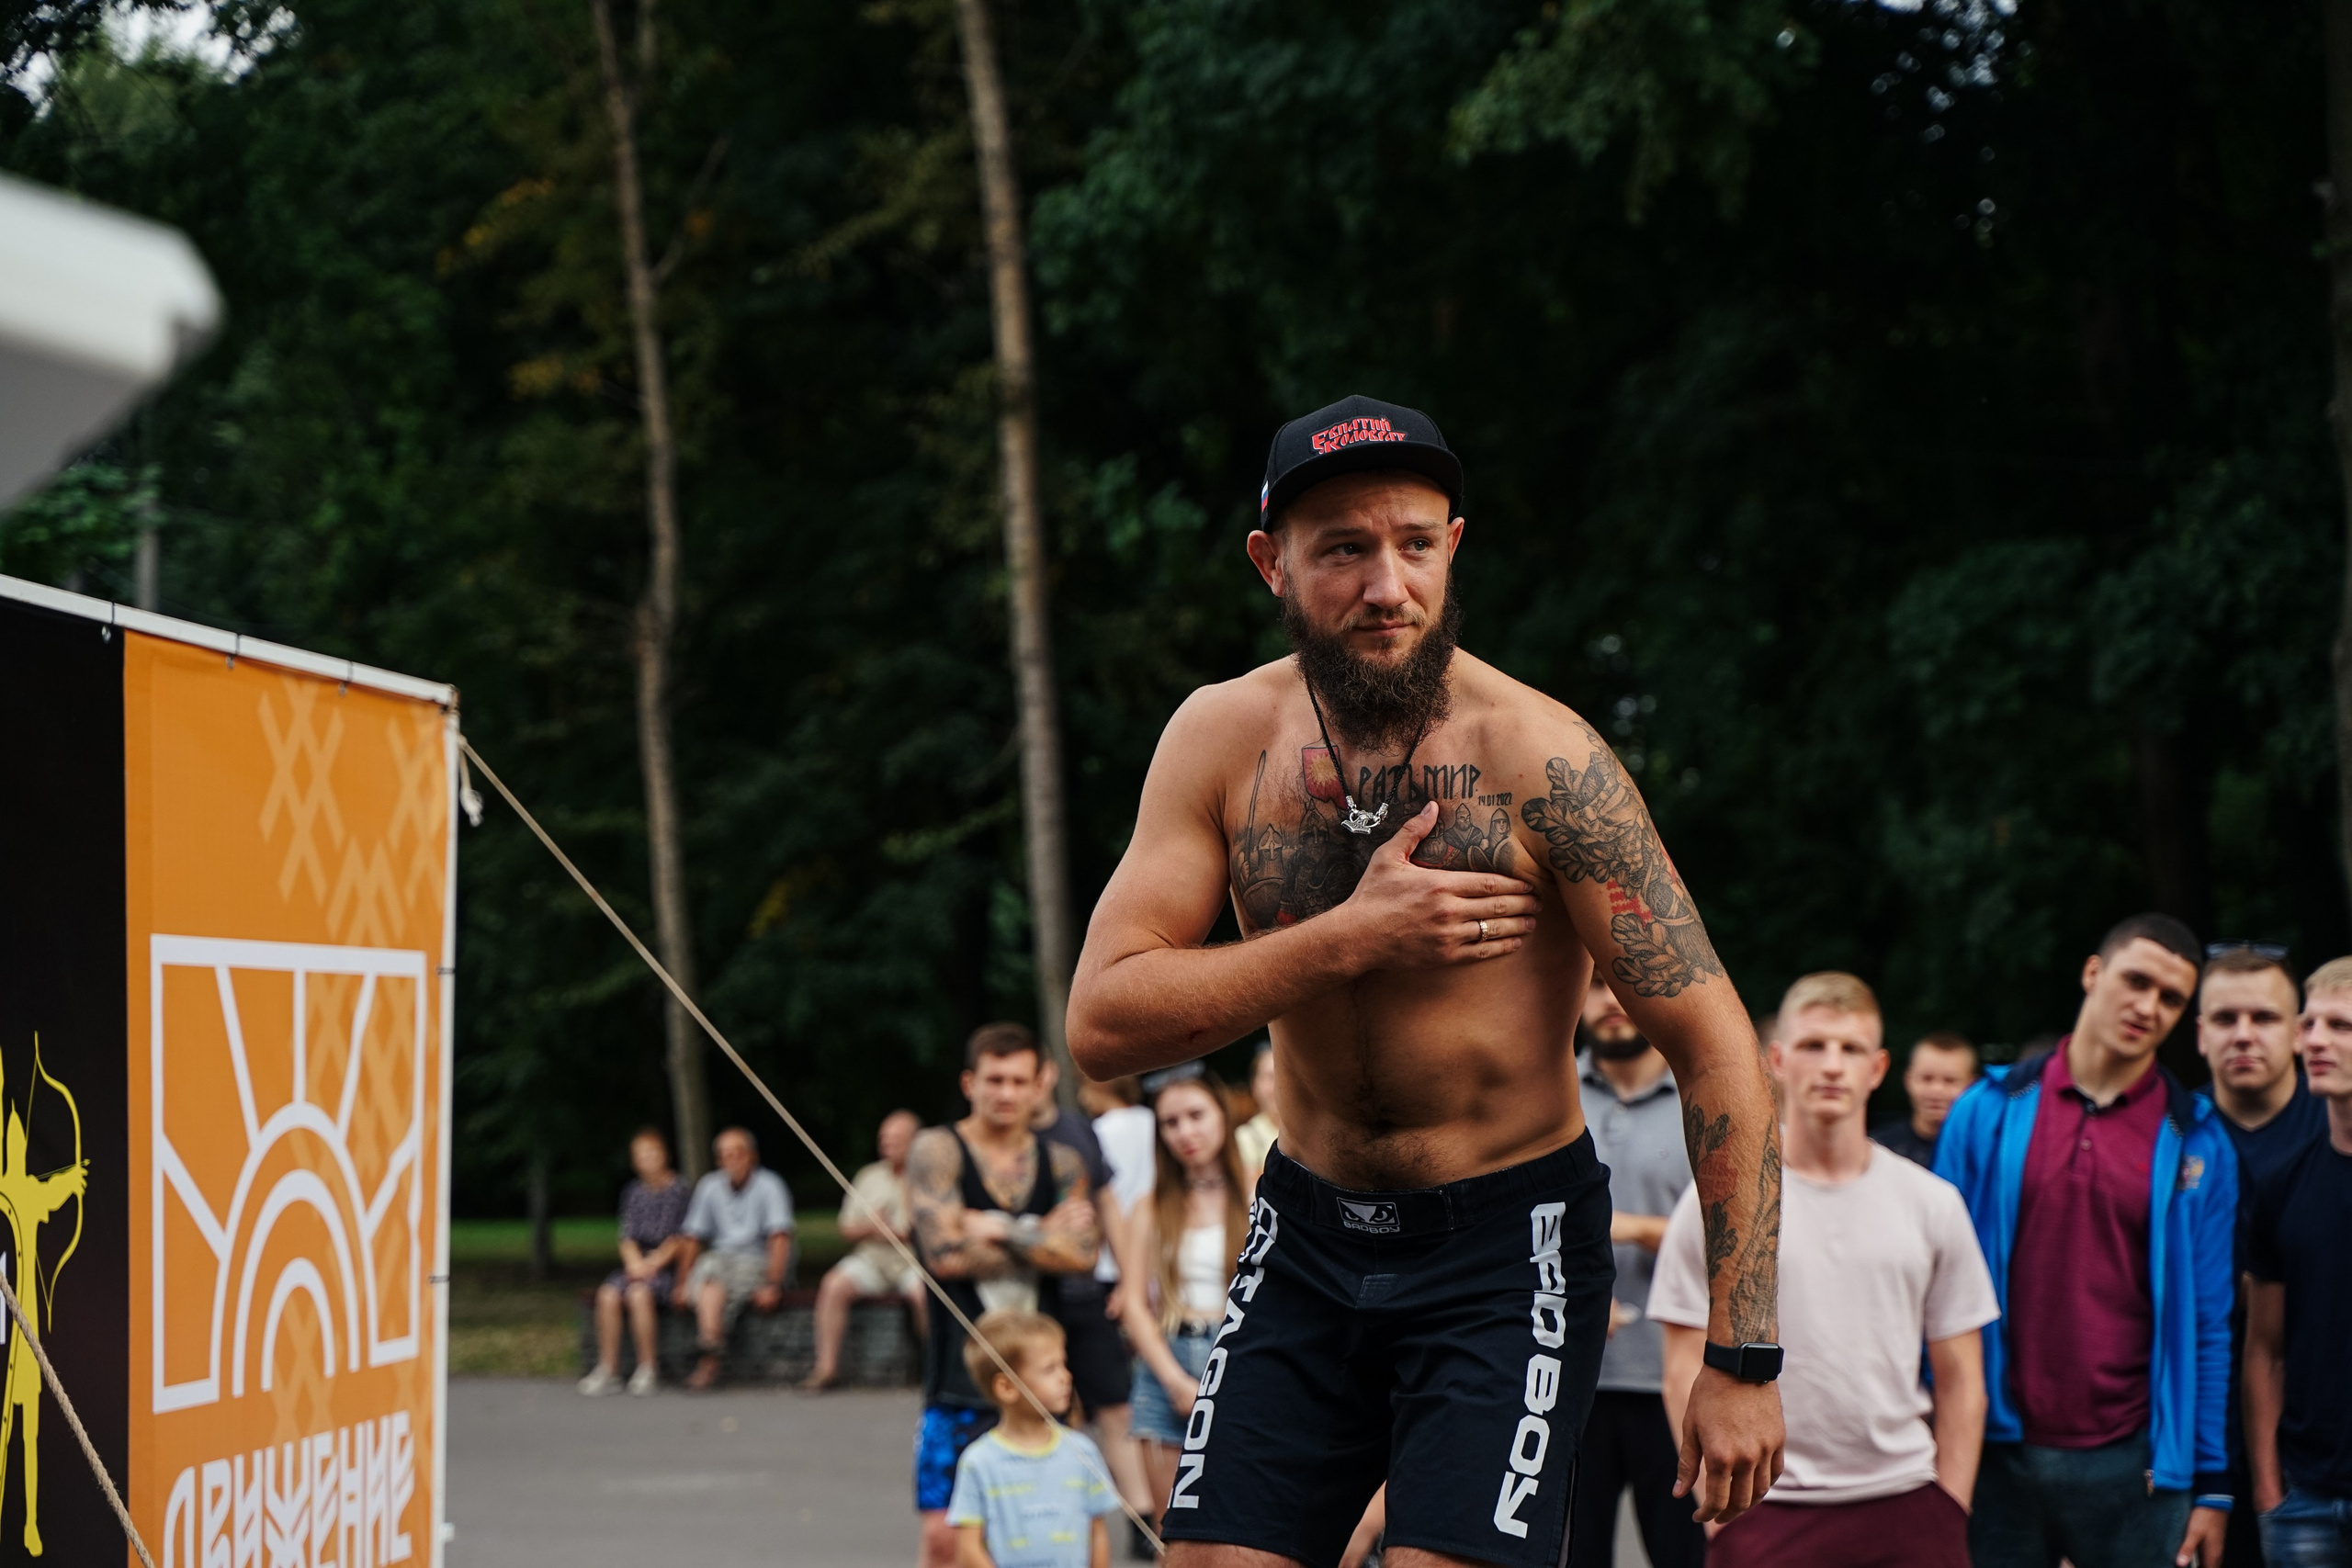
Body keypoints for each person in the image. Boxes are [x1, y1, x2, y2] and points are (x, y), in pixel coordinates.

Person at [1067, 394, 1784, 1568]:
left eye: (1411, 544)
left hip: (1505, 1244)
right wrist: (1349, 937)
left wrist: (1742, 1357)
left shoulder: (1542, 757)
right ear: (1272, 565)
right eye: (1342, 550)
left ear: (1452, 548)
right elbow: (1100, 1026)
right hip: (1302, 1228)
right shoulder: (1218, 738)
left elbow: (1717, 1051)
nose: (1383, 586)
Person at [1653, 972, 1996, 1567]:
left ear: (1879, 1066)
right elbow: (1682, 1361)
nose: (1832, 1064)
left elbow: (1962, 1375)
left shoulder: (1932, 1201)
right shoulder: (1723, 1198)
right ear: (1778, 1059)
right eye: (1814, 1045)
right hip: (1765, 1506)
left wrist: (1951, 1502)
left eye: (1851, 1047)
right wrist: (1721, 1505)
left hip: (1908, 1498)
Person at [1935, 913, 2240, 1568]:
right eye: (2136, 981)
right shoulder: (1984, 1111)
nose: (2147, 1006)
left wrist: (2212, 1478)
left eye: (2170, 998)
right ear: (2092, 972)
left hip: (2138, 1458)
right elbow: (1930, 1286)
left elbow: (2210, 1323)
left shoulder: (2198, 1139)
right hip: (1996, 1445)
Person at [910, 1024, 1102, 1568]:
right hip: (956, 1373)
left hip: (1042, 1373)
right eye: (995, 1079)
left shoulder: (1062, 1161)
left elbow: (1083, 1254)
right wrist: (1043, 1230)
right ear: (970, 1082)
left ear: (1040, 1086)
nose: (1007, 1093)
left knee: (1042, 1525)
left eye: (1020, 1080)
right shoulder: (937, 1149)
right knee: (946, 1539)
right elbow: (944, 1255)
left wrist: (996, 1228)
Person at [2198, 944, 2325, 1568]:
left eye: (2265, 1017)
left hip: (2318, 1442)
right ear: (2198, 1034)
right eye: (2224, 1019)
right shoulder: (2166, 1139)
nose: (2243, 1035)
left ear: (2300, 1031)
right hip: (2193, 1442)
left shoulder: (2335, 1129)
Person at [1569, 976, 1704, 1568]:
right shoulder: (1543, 1092)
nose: (1611, 1001)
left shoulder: (1703, 1098)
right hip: (1565, 1381)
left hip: (1674, 1384)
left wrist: (1635, 1229)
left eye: (1623, 983)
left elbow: (1740, 1240)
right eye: (1595, 985)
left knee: (1686, 1555)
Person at [2245, 956, 2352, 1563]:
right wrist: (2269, 1491)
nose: (2314, 1040)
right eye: (2309, 1024)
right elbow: (2265, 1346)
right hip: (2304, 1501)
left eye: (2340, 1026)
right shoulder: (2281, 1181)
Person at [1119, 1066, 1250, 1528]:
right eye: (1170, 1123)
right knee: (1171, 1532)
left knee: (1245, 1527)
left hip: (1241, 1355)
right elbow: (1133, 1303)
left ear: (1223, 1114)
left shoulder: (1260, 1190)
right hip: (1167, 1356)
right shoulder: (1151, 1203)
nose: (1185, 1133)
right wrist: (1175, 1382)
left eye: (1196, 1115)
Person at [947, 1309, 1122, 1568]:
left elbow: (1097, 1532)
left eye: (1064, 1364)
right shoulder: (978, 1461)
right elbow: (968, 1548)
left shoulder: (1082, 1450)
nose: (1066, 1376)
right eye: (1049, 1369)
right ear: (1007, 1387)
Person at [1078, 1071, 1161, 1551]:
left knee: (1115, 1405)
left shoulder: (1099, 1133)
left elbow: (1110, 1205)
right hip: (1153, 1265)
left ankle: (1138, 1513)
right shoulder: (1152, 1123)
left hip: (1109, 1268)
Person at [806, 1109, 929, 1392]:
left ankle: (933, 1368)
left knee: (924, 1293)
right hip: (871, 1258)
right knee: (833, 1284)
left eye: (895, 1138)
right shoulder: (868, 1176)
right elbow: (845, 1228)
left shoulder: (927, 1176)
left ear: (915, 1142)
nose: (886, 1144)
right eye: (883, 1138)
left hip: (912, 1260)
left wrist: (898, 1232)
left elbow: (933, 1231)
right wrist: (872, 1228)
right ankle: (826, 1369)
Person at [673, 1125, 796, 1391]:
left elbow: (780, 1238)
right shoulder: (709, 1186)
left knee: (712, 1280)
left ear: (753, 1156)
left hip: (755, 1260)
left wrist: (774, 1283)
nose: (732, 1161)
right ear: (719, 1160)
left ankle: (708, 1357)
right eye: (725, 1155)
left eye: (738, 1154)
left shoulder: (770, 1186)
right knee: (709, 1274)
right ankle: (711, 1347)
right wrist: (682, 1283)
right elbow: (692, 1237)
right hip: (720, 1260)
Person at [581, 1126, 693, 1396]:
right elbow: (627, 1237)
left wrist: (652, 1265)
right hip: (638, 1265)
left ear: (664, 1155)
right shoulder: (632, 1193)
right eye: (641, 1155)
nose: (648, 1159)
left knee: (639, 1294)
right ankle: (608, 1368)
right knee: (608, 1294)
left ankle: (648, 1367)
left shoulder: (680, 1190)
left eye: (652, 1153)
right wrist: (635, 1265)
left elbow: (682, 1238)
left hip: (666, 1268)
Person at [1869, 1032, 1977, 1168]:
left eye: (1950, 1081)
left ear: (1972, 1086)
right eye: (1927, 1078)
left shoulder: (1984, 1154)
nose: (1937, 1090)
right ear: (1908, 1080)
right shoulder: (1877, 1149)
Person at [1233, 1041, 1280, 1182]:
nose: (1279, 1085)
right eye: (1270, 1077)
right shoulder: (1246, 1136)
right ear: (1254, 1086)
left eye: (1285, 1076)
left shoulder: (1312, 1131)